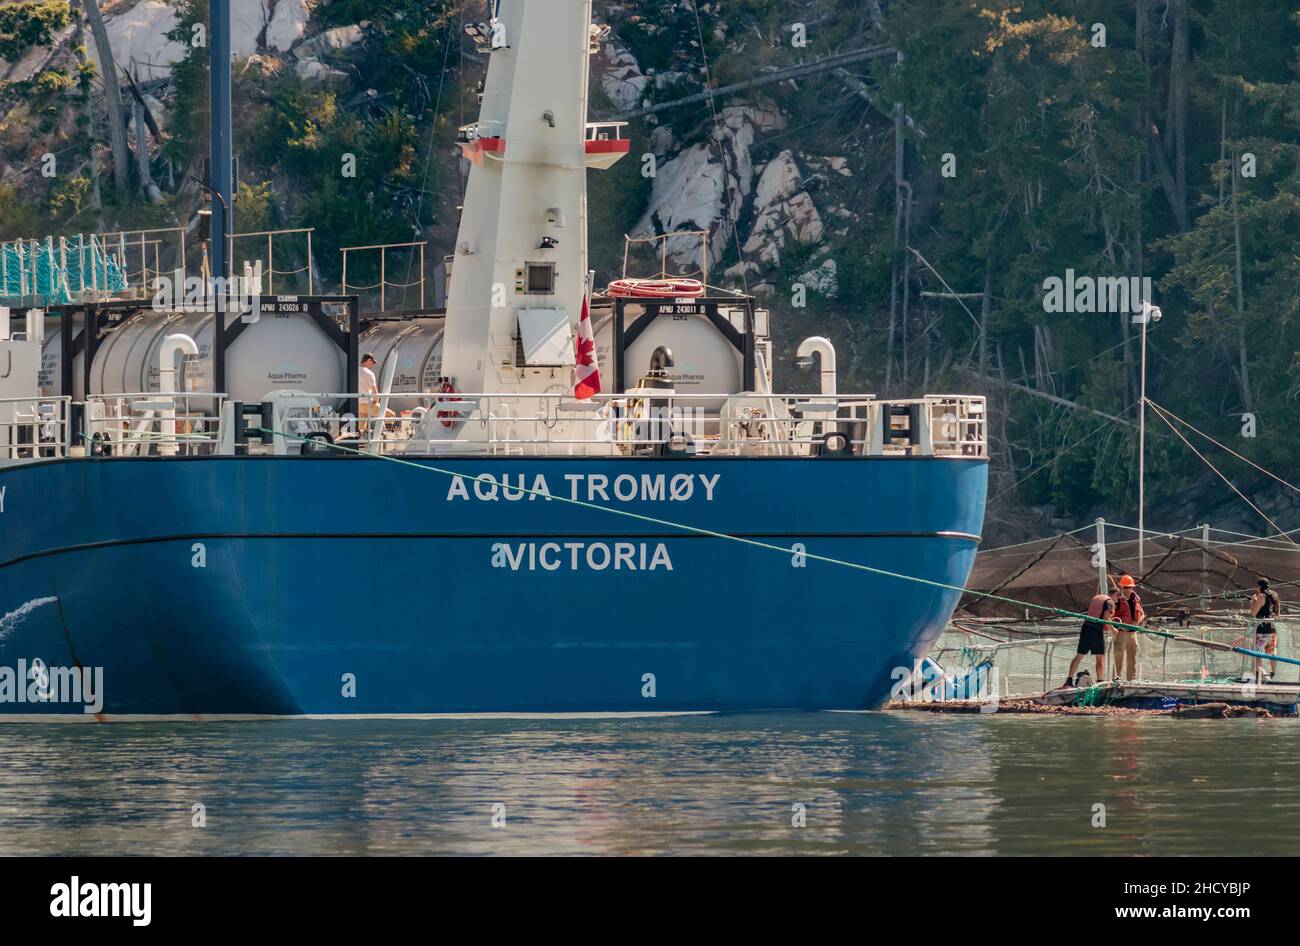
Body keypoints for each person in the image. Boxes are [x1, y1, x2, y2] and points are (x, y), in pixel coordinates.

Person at [1066, 586, 1118, 688]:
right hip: (1095, 630)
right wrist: (1114, 631)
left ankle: (1069, 680)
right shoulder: (1109, 602)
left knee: (1079, 655)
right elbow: (1105, 618)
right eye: (1118, 596)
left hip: (1086, 627)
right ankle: (1099, 682)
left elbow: (1095, 614)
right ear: (1115, 595)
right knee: (1100, 658)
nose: (1117, 599)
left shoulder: (1097, 597)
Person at [1111, 574, 1144, 682]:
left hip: (1133, 634)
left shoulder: (1136, 599)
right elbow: (1110, 616)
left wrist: (1137, 623)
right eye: (1126, 587)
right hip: (1121, 633)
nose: (1128, 589)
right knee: (1118, 659)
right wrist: (1119, 625)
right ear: (1121, 587)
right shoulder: (1117, 600)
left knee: (1132, 659)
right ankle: (1116, 681)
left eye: (1130, 587)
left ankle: (1131, 681)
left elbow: (1142, 614)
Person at [1249, 578, 1281, 681]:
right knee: (1272, 653)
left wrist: (1253, 600)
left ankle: (1259, 675)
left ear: (1259, 586)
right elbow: (1278, 613)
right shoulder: (1275, 595)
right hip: (1273, 628)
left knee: (1257, 653)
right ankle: (1274, 674)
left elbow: (1254, 613)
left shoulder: (1261, 596)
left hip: (1262, 629)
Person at [358, 353, 380, 422]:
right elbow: (375, 392)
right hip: (367, 403)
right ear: (369, 360)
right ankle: (382, 431)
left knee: (361, 428)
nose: (372, 364)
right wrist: (376, 402)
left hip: (356, 404)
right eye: (372, 362)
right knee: (391, 415)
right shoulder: (370, 373)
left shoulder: (353, 371)